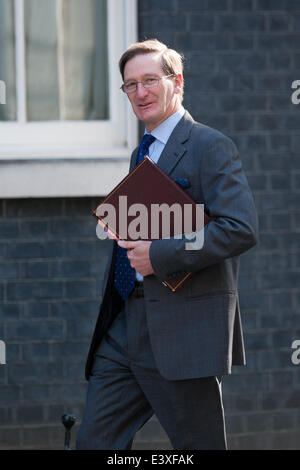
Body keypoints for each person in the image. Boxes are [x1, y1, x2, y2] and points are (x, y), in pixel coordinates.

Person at [76, 39, 258, 450]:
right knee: (94, 442)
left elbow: (239, 227)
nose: (140, 93)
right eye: (130, 85)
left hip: (183, 330)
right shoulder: (141, 152)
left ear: (177, 83)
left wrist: (158, 254)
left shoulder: (210, 146)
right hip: (124, 327)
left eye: (150, 80)